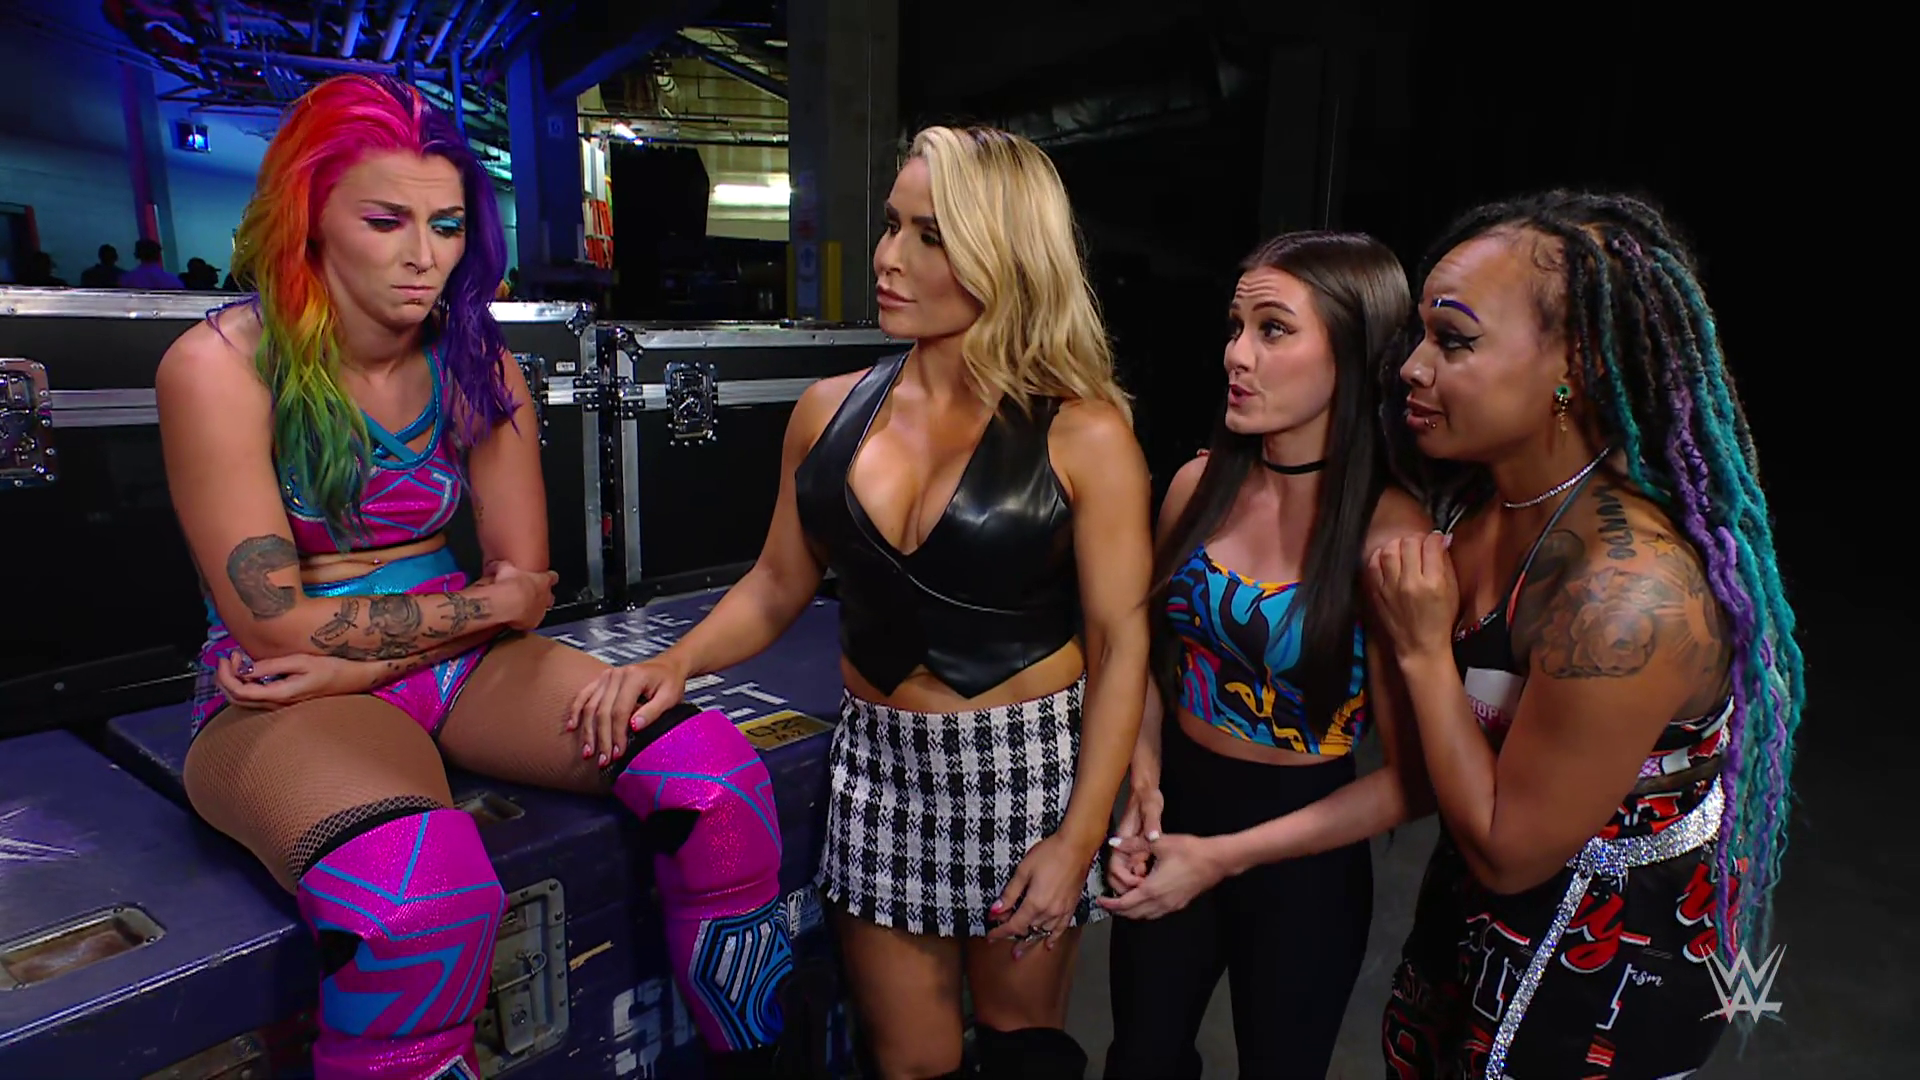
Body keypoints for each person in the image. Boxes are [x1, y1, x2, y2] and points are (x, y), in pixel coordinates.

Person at [158, 75, 797, 1080]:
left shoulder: (478, 363)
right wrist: (487, 604)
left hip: (438, 667)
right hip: (282, 695)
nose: (424, 256)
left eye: (448, 225)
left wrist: (395, 642)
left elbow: (529, 585)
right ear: (307, 217)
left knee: (718, 785)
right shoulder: (218, 366)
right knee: (417, 901)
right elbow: (277, 626)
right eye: (385, 221)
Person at [576, 124, 1154, 1079]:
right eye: (893, 225)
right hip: (880, 767)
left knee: (1024, 1055)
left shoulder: (1085, 434)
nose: (889, 258)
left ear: (1006, 254)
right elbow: (776, 583)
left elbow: (1120, 643)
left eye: (931, 236)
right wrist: (676, 661)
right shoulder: (826, 410)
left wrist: (1079, 837)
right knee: (908, 1064)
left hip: (1024, 769)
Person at [1369, 190, 1805, 1078]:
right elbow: (1422, 767)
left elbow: (1508, 852)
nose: (1412, 367)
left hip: (1601, 985)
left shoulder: (1629, 597)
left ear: (1579, 363)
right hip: (1465, 930)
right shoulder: (1476, 503)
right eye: (1419, 335)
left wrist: (1417, 649)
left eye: (1453, 341)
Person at [1098, 232, 1431, 1079]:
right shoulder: (1196, 485)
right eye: (1236, 327)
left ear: (1354, 354)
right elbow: (1145, 654)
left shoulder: (1392, 537)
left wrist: (1221, 858)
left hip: (1303, 856)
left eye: (1273, 329)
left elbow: (1411, 781)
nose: (1236, 355)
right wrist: (1142, 773)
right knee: (1140, 1057)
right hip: (1176, 813)